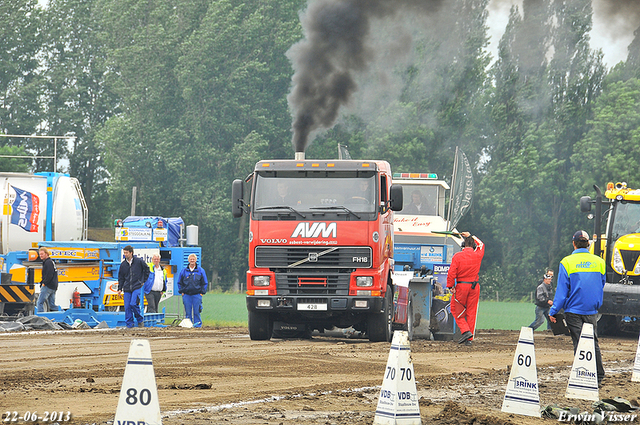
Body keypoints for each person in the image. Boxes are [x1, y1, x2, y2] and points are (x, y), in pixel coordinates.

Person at [549, 230, 606, 386]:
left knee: (579, 342)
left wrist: (553, 310)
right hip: (592, 310)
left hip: (573, 310)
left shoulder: (566, 262)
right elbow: (601, 284)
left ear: (573, 243)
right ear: (588, 244)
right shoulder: (599, 262)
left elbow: (561, 292)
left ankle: (584, 374)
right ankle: (599, 375)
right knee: (592, 341)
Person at [446, 232, 485, 346]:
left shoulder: (458, 256)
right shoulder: (478, 254)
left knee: (455, 309)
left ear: (463, 245)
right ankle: (469, 339)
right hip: (474, 287)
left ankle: (465, 331)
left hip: (462, 287)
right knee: (471, 312)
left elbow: (451, 273)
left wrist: (450, 286)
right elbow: (481, 244)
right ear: (473, 246)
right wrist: (471, 235)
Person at [117, 245, 150, 328]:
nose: (125, 254)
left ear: (131, 253)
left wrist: (143, 281)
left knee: (133, 304)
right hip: (127, 288)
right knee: (127, 306)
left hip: (136, 286)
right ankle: (129, 324)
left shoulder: (139, 262)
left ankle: (139, 320)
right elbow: (121, 277)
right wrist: (119, 289)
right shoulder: (123, 265)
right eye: (124, 253)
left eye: (126, 253)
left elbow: (147, 270)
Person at [177, 253, 208, 328]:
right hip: (186, 295)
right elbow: (179, 282)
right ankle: (189, 325)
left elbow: (205, 282)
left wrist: (202, 293)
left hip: (197, 295)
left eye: (193, 259)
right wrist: (182, 291)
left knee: (197, 311)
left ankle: (198, 325)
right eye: (191, 259)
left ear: (195, 260)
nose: (192, 260)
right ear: (188, 260)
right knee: (188, 312)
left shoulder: (200, 271)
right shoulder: (184, 271)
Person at [36, 247, 59, 312]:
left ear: (46, 254)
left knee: (40, 302)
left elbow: (49, 275)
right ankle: (62, 312)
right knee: (52, 305)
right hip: (53, 286)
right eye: (40, 254)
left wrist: (44, 283)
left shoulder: (48, 263)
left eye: (42, 254)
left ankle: (41, 317)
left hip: (48, 286)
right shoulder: (51, 262)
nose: (41, 255)